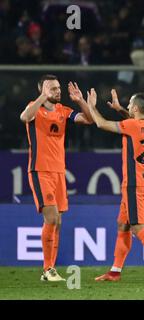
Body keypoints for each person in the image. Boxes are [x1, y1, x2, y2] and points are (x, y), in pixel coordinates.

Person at [86, 89, 144, 282]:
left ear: (136, 108)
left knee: (138, 228)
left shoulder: (131, 125)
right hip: (143, 180)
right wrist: (120, 109)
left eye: (129, 104)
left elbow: (101, 123)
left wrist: (91, 106)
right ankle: (115, 271)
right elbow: (134, 121)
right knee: (123, 225)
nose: (127, 107)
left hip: (134, 184)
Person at [20, 75, 93, 281]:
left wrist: (80, 101)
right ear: (42, 90)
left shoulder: (63, 110)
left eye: (58, 88)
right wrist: (42, 97)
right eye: (52, 89)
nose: (57, 91)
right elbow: (25, 117)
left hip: (59, 171)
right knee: (51, 217)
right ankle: (47, 269)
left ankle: (50, 269)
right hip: (40, 170)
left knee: (58, 221)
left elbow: (88, 119)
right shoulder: (35, 109)